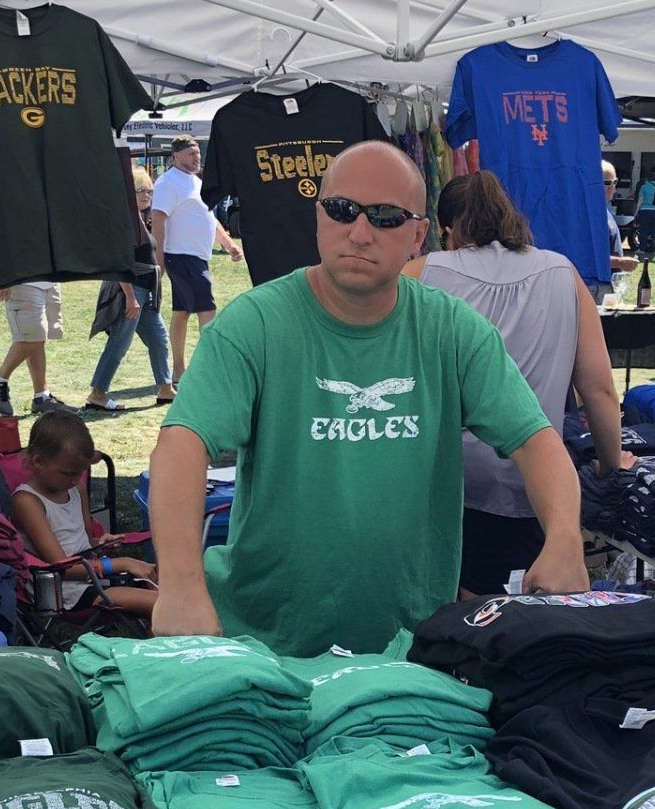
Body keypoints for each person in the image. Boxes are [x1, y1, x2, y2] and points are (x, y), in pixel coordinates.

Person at [147, 140, 590, 656]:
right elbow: (183, 443)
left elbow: (535, 439)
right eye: (341, 211)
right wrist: (180, 582)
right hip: (266, 642)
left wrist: (564, 537)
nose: (359, 233)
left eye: (385, 217)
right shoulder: (255, 324)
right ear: (318, 218)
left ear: (419, 235)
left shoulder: (452, 330)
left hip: (409, 645)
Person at [406, 170, 632, 597]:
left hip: (441, 483)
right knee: (512, 621)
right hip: (533, 483)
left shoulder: (420, 273)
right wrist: (609, 462)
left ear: (447, 228)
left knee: (442, 614)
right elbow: (599, 388)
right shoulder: (563, 273)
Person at [9, 411, 158, 615]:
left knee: (174, 588)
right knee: (162, 603)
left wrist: (102, 545)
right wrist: (122, 562)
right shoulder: (27, 501)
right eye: (68, 473)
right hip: (62, 591)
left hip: (94, 579)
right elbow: (62, 567)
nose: (74, 479)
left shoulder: (76, 489)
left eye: (80, 472)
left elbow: (86, 544)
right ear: (37, 462)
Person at [151, 135, 243, 383]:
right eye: (191, 154)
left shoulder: (195, 182)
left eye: (197, 153)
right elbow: (158, 219)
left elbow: (208, 218)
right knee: (207, 309)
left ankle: (179, 370)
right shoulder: (168, 182)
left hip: (197, 256)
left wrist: (229, 244)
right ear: (176, 156)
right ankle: (210, 367)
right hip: (180, 255)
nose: (197, 157)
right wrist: (158, 259)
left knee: (181, 312)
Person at [87, 164, 176, 410]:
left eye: (149, 190)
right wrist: (129, 297)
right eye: (140, 190)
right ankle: (97, 393)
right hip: (132, 291)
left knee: (159, 339)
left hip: (144, 293)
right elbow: (119, 262)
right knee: (119, 343)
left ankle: (165, 387)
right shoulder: (126, 221)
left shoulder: (138, 219)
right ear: (128, 192)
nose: (147, 195)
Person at [0, 281, 72, 416]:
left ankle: (41, 397)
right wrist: (3, 278)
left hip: (49, 280)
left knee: (38, 338)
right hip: (22, 281)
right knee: (31, 337)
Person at [591, 160, 639, 302]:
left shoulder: (604, 208)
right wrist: (620, 262)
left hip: (607, 284)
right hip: (595, 286)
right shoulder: (590, 214)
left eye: (615, 182)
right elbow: (588, 257)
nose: (613, 187)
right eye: (607, 183)